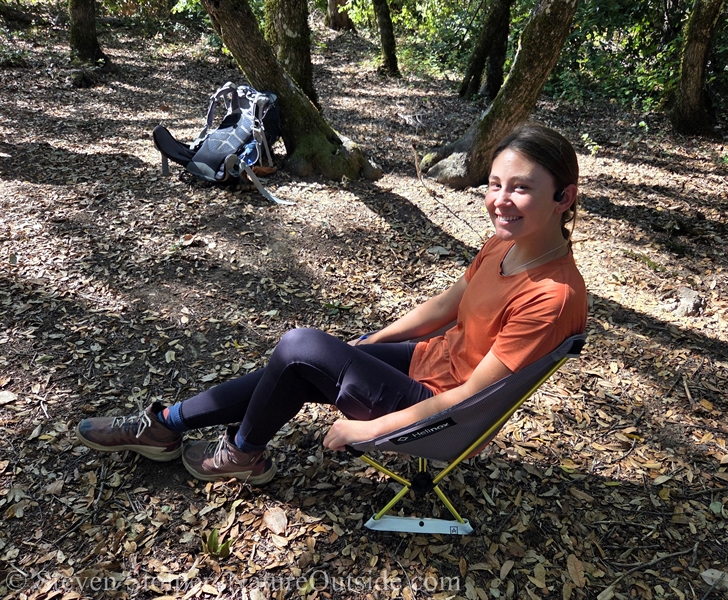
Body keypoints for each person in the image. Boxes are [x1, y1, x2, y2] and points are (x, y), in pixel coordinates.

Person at [76, 124, 587, 485]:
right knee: (302, 357)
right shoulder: (506, 243)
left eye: (521, 188)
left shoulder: (551, 295)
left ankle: (230, 449)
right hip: (430, 365)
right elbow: (449, 304)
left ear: (564, 197)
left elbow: (471, 399)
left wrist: (371, 428)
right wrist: (373, 342)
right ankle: (172, 425)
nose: (500, 199)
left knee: (300, 345)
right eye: (495, 184)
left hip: (436, 413)